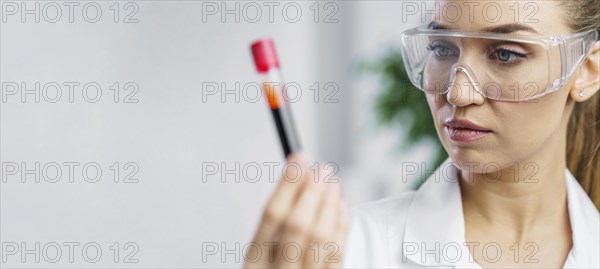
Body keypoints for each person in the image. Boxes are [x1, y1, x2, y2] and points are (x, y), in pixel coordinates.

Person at [244, 1, 600, 268]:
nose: (458, 93)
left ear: (586, 71)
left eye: (506, 54)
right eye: (442, 49)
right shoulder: (345, 252)